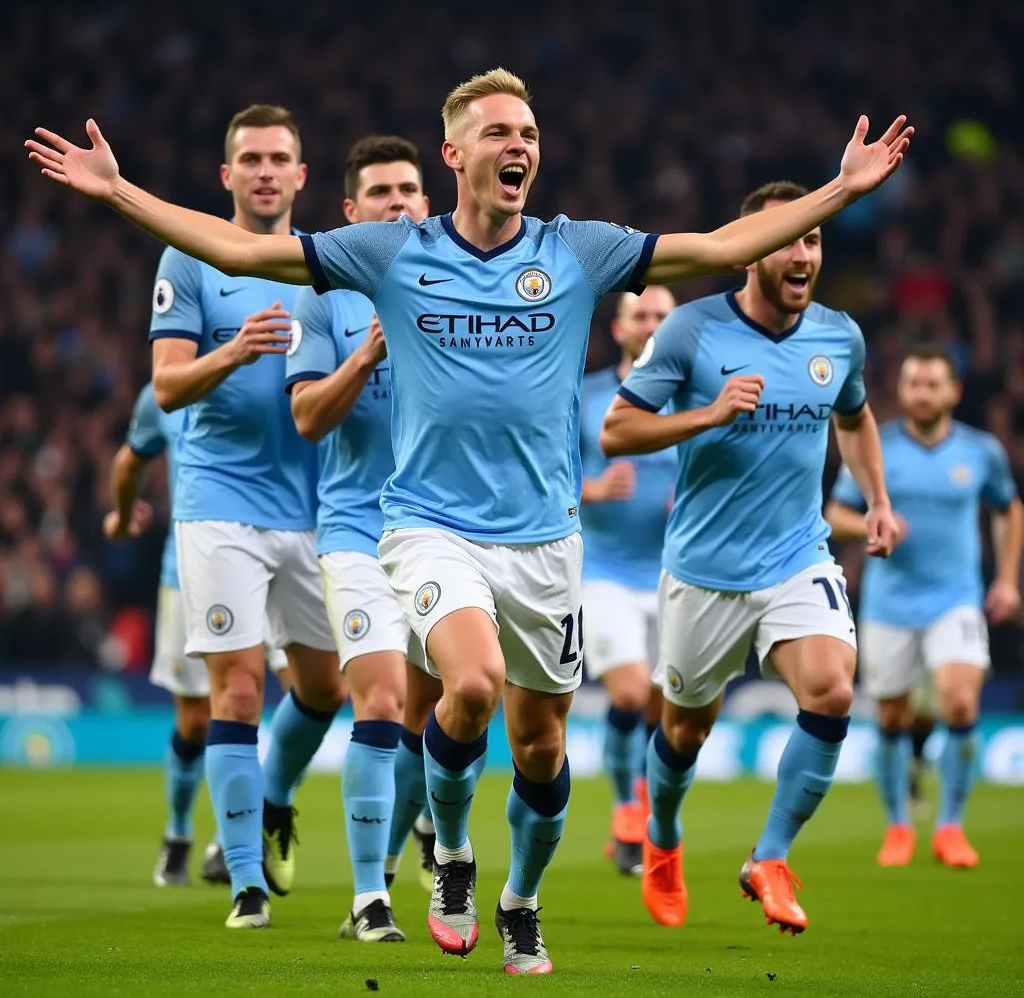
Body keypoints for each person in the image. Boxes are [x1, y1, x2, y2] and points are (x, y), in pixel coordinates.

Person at [26, 69, 911, 973]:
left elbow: (725, 247)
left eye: (527, 131)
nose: (517, 145)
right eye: (496, 133)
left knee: (540, 742)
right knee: (473, 684)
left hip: (545, 540)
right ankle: (451, 854)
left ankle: (521, 898)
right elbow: (244, 253)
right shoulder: (391, 253)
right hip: (425, 526)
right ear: (454, 154)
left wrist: (839, 190)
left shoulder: (579, 252)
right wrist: (117, 191)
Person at [601, 180, 901, 936]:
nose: (803, 254)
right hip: (703, 572)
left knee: (832, 692)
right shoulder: (692, 333)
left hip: (797, 556)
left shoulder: (839, 337)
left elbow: (857, 420)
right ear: (750, 254)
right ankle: (664, 842)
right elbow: (617, 431)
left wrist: (879, 500)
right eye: (789, 241)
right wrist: (707, 413)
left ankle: (769, 856)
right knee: (683, 733)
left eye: (813, 241)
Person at [103, 104, 345, 930]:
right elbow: (166, 387)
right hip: (220, 506)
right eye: (252, 159)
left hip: (313, 508)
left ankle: (270, 798)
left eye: (281, 157)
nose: (267, 171)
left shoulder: (326, 266)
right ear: (228, 175)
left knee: (325, 687)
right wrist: (235, 351)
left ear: (303, 175)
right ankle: (244, 879)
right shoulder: (194, 257)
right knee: (235, 688)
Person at [284, 134, 437, 942]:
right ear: (350, 213)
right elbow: (308, 416)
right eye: (380, 193)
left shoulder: (458, 291)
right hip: (356, 532)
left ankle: (410, 839)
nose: (399, 204)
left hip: (447, 534)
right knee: (378, 700)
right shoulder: (327, 298)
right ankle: (369, 898)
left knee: (438, 719)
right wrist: (367, 357)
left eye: (410, 189)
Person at [825, 344, 1022, 868]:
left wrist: (1005, 579)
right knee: (893, 715)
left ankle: (951, 826)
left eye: (933, 383)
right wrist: (870, 524)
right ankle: (897, 826)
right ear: (901, 389)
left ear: (953, 391)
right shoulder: (877, 449)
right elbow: (836, 513)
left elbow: (1008, 509)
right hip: (889, 604)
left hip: (956, 599)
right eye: (914, 383)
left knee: (959, 702)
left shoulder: (981, 452)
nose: (923, 393)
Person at [104, 382, 295, 888]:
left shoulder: (282, 369)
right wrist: (123, 518)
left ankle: (254, 824)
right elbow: (130, 462)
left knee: (310, 694)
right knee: (194, 718)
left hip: (285, 552)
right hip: (194, 570)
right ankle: (178, 836)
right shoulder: (161, 393)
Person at [579, 286, 677, 876]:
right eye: (640, 314)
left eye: (662, 316)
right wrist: (590, 489)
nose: (650, 323)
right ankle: (625, 806)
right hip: (604, 571)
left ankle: (636, 829)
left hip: (675, 574)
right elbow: (542, 473)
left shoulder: (693, 397)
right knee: (631, 693)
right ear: (619, 328)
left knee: (667, 710)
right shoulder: (587, 397)